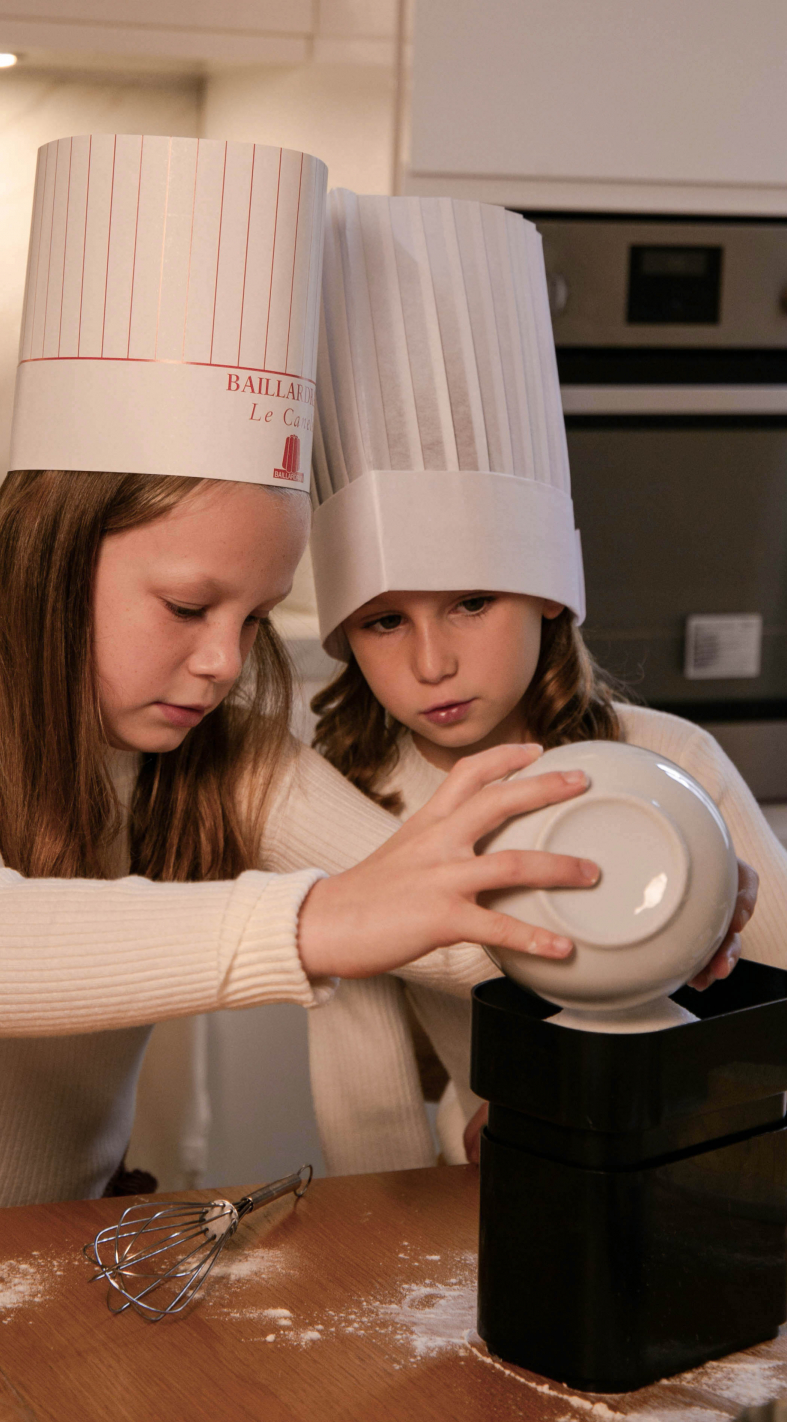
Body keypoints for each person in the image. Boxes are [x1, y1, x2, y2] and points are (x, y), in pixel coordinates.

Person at [0, 136, 600, 1226]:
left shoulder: (212, 762)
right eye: (188, 606)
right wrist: (311, 923)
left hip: (66, 1230)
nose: (222, 661)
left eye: (254, 617)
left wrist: (651, 936)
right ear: (55, 556)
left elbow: (439, 922)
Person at [306, 188, 770, 1174]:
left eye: (471, 603)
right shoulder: (347, 802)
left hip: (694, 1158)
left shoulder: (667, 765)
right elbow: (365, 1095)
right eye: (384, 622)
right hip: (497, 1181)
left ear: (548, 597)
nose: (430, 661)